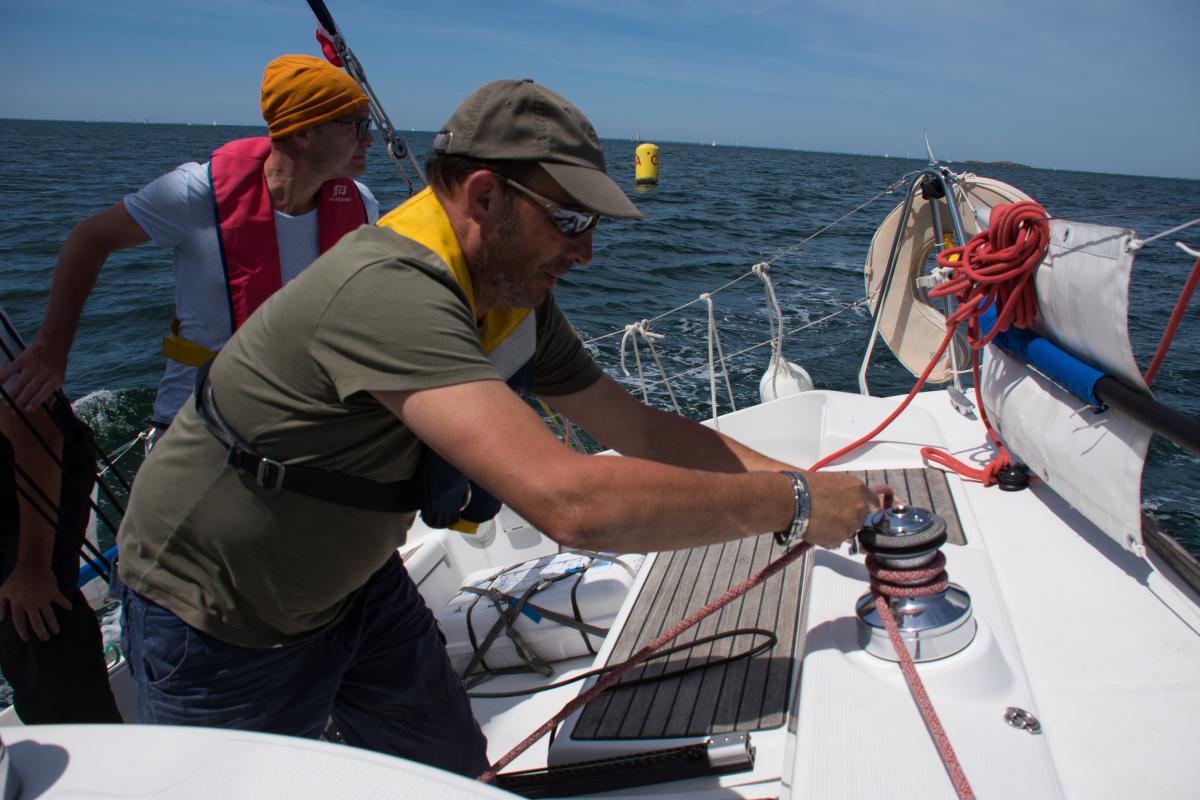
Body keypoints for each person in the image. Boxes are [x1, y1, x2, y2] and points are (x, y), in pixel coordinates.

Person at [114, 79, 879, 777]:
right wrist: (795, 506)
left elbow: (641, 428)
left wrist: (808, 483)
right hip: (221, 612)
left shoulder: (513, 303)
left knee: (449, 770)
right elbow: (572, 505)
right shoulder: (387, 288)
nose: (585, 252)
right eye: (570, 220)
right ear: (484, 196)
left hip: (355, 584)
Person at [0, 54, 379, 447]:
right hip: (197, 431)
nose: (369, 140)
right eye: (358, 126)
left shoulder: (360, 205)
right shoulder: (195, 194)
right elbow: (89, 239)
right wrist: (52, 349)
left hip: (300, 425)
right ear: (304, 134)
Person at [0, 306, 122, 723]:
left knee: (33, 622)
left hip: (27, 475)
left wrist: (32, 567)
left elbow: (32, 425)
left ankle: (91, 750)